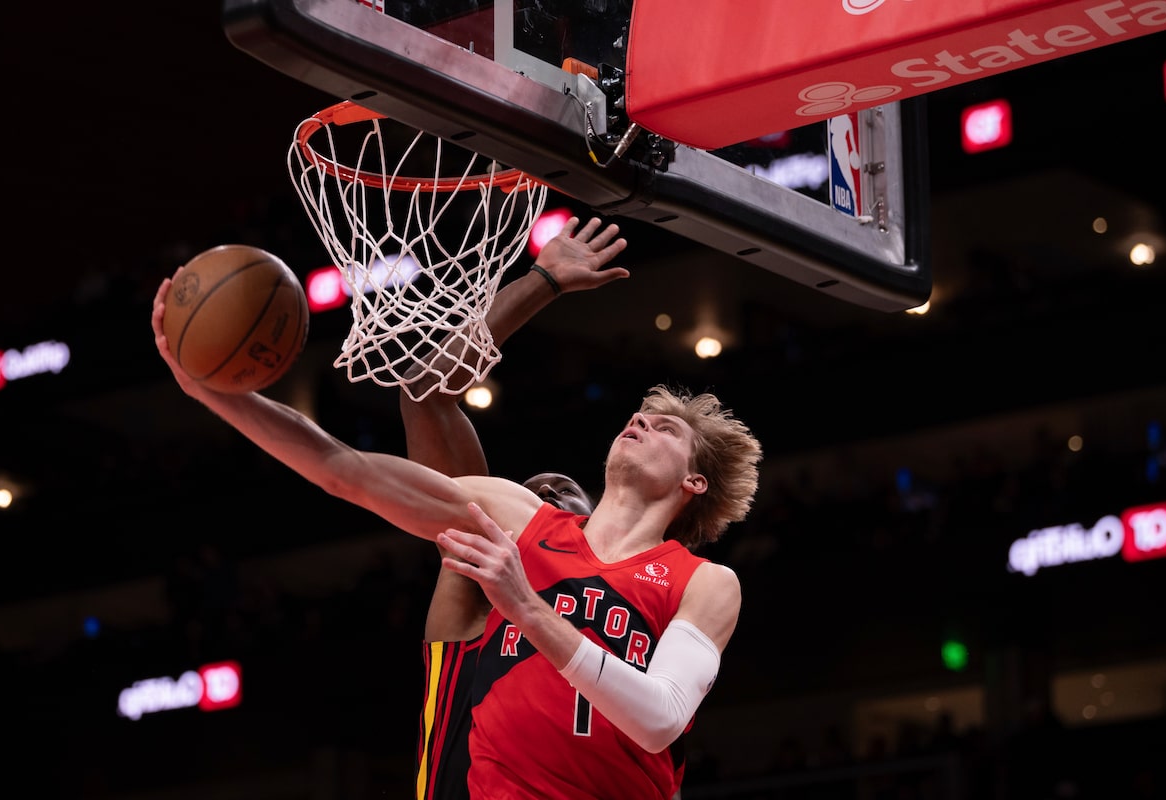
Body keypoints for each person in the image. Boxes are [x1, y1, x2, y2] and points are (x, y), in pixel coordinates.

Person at [151, 236, 763, 800]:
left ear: (695, 481)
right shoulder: (507, 535)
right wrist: (210, 391)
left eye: (667, 427)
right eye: (640, 414)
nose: (642, 421)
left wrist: (528, 608)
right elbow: (347, 465)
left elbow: (660, 720)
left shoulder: (702, 582)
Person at [405, 216, 626, 800]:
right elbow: (426, 395)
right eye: (532, 494)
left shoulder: (634, 609)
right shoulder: (474, 594)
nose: (545, 495)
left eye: (562, 500)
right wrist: (543, 282)